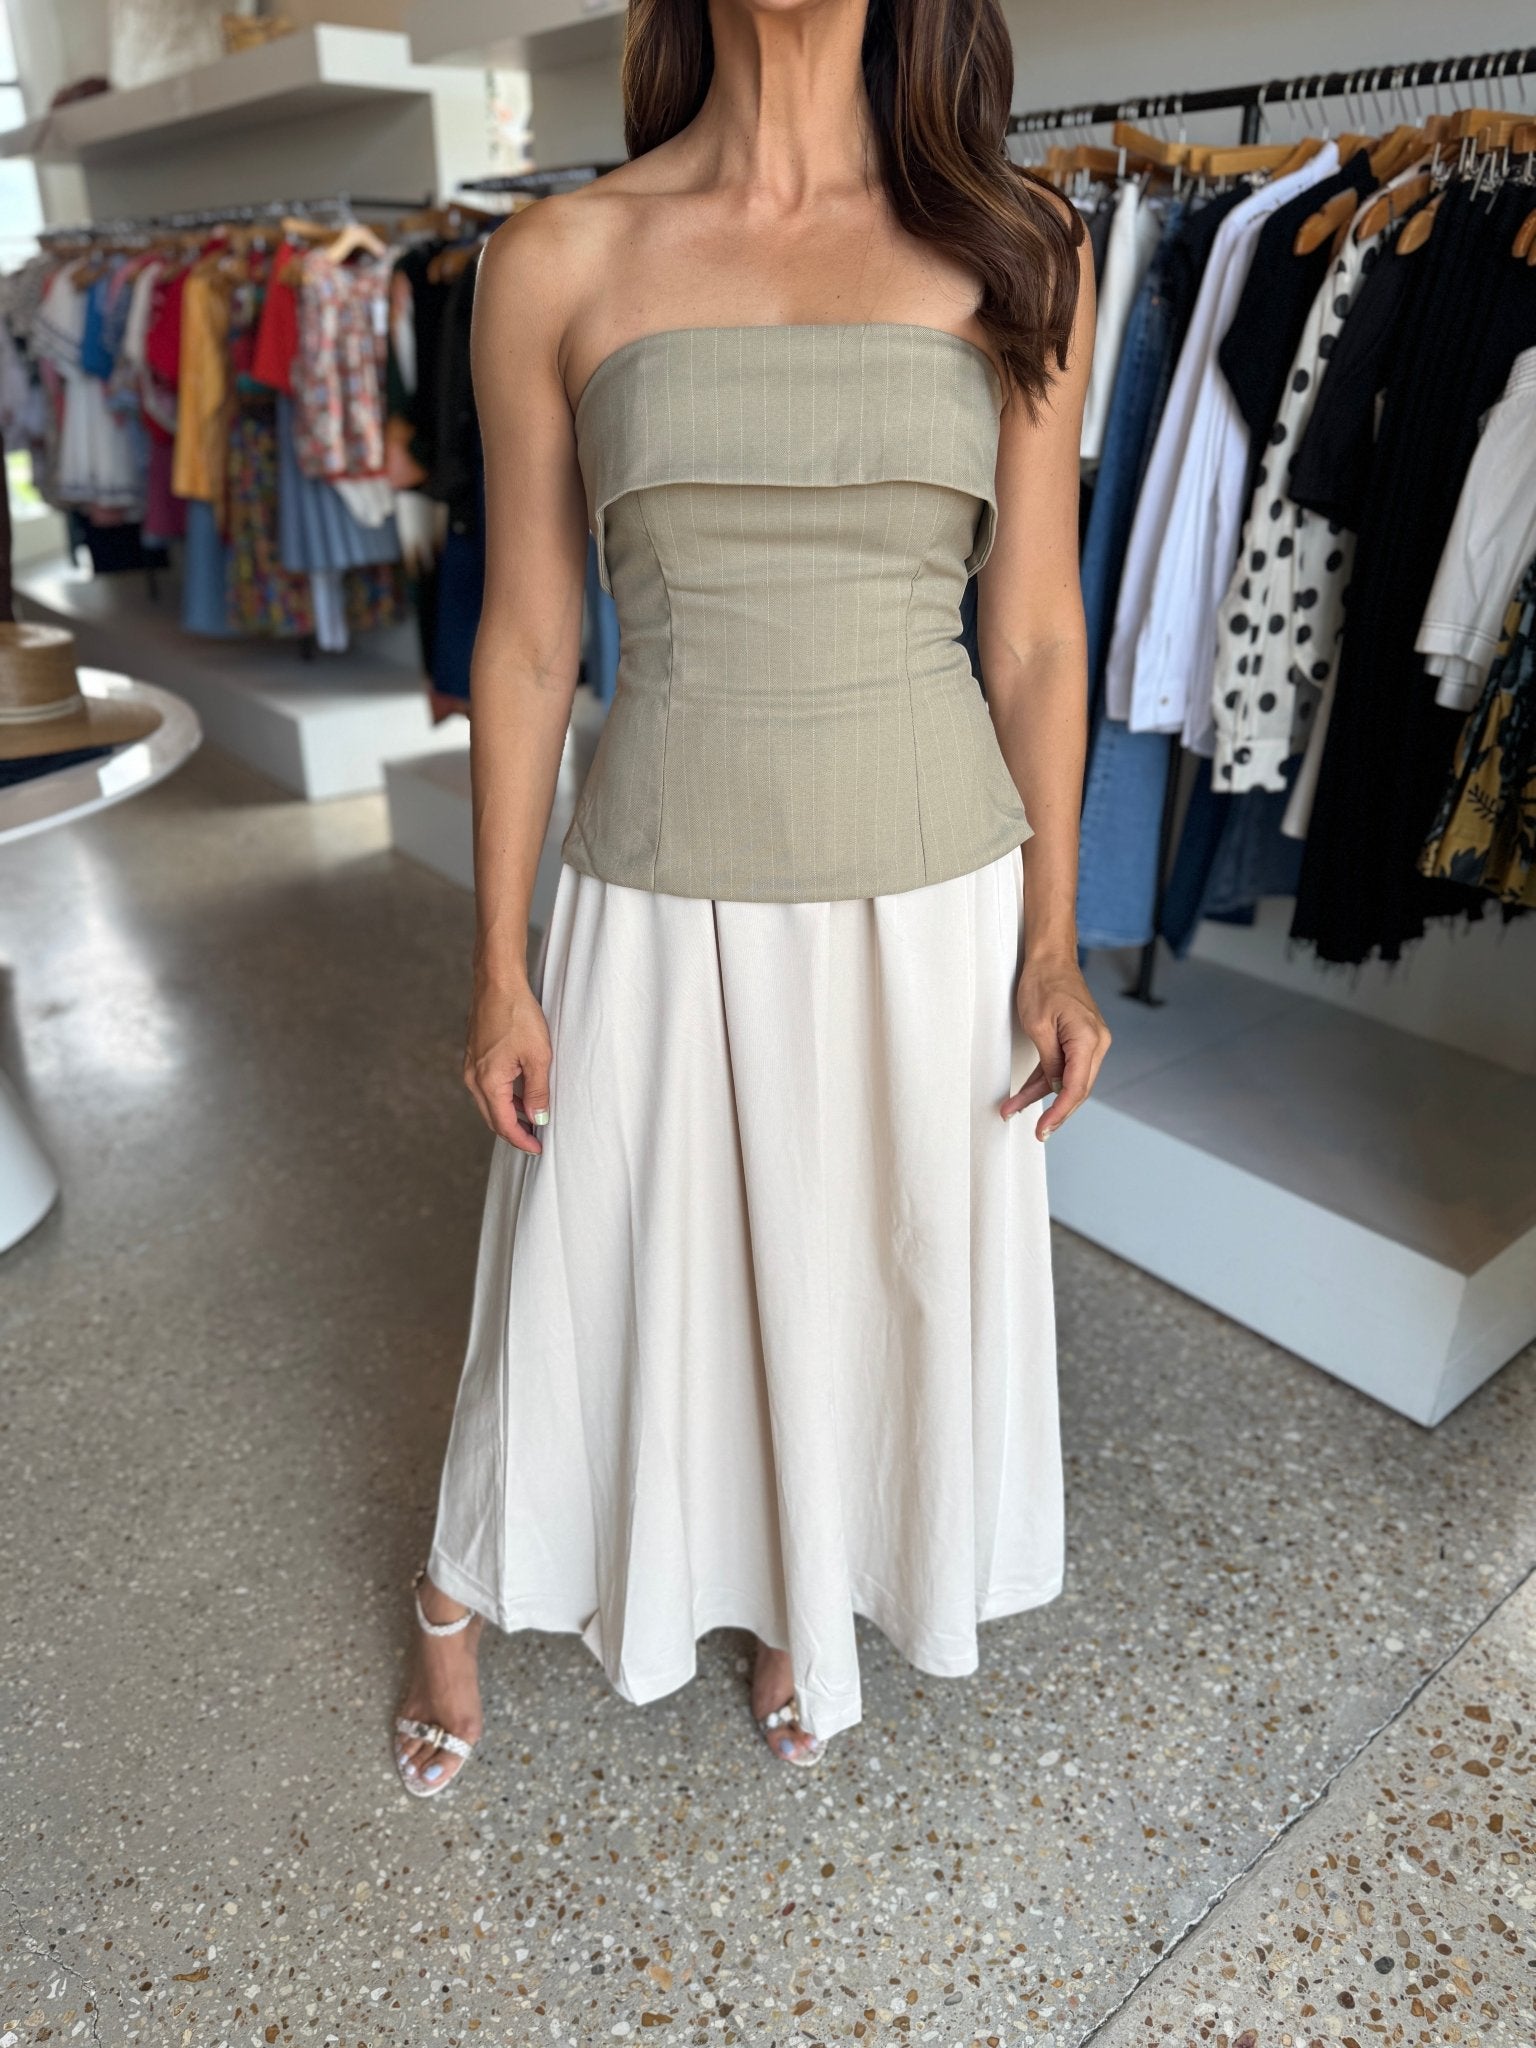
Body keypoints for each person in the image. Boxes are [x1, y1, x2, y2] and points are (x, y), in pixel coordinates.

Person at [393, 0, 1111, 1795]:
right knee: (581, 1264)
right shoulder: (558, 257)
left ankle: (804, 1585)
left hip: (936, 904)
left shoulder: (1020, 244)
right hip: (656, 886)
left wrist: (1052, 939)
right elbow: (530, 636)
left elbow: (1034, 630)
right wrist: (496, 962)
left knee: (865, 1273)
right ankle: (457, 1579)